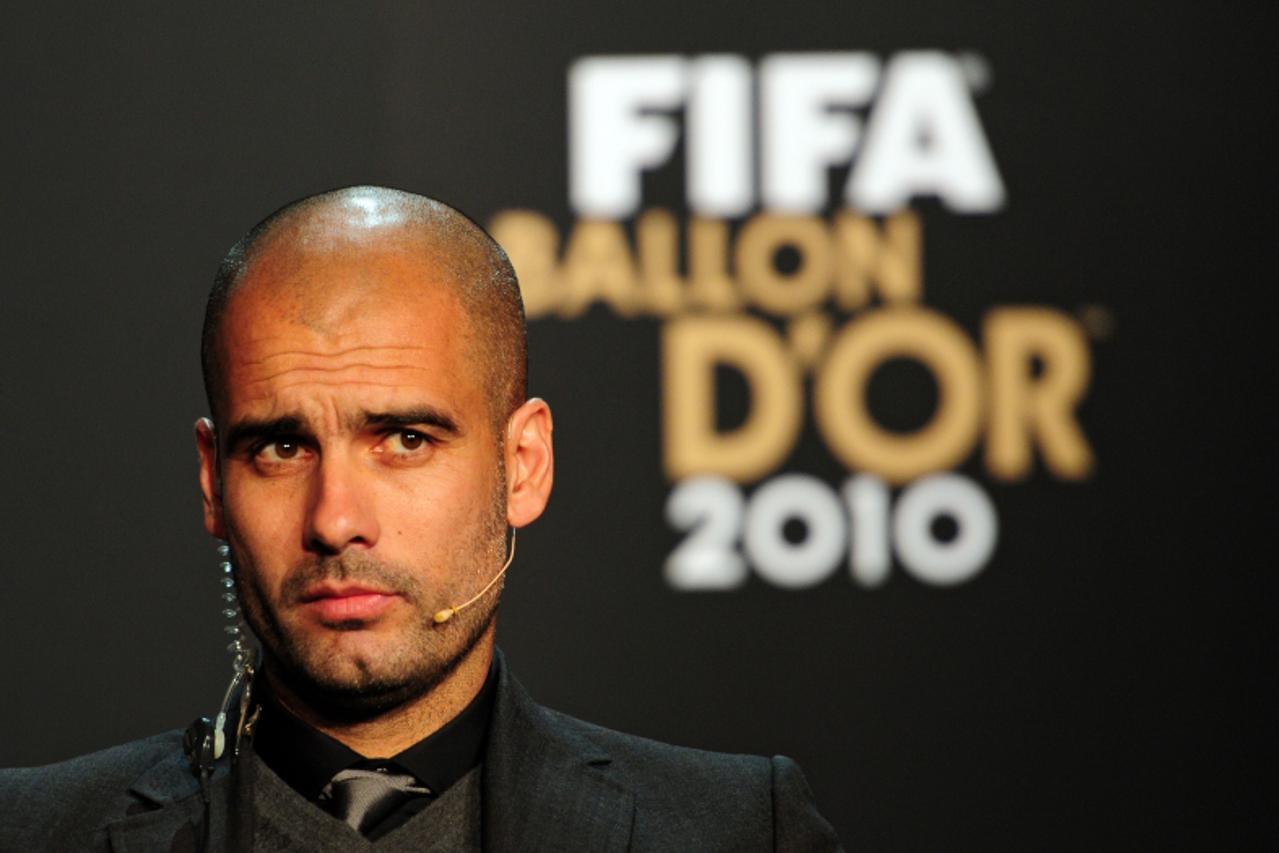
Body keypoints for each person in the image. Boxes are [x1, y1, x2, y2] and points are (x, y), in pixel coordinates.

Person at [0, 186, 841, 851]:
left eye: (405, 438)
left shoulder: (734, 830)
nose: (335, 520)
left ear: (523, 464)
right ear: (213, 483)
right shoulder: (33, 832)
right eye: (281, 449)